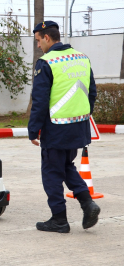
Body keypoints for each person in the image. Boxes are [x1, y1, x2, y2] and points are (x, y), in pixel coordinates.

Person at [28, 21, 100, 233]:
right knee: (66, 166)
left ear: (47, 38)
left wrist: (33, 130)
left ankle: (59, 219)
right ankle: (88, 203)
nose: (39, 46)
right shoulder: (81, 58)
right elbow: (92, 92)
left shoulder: (46, 62)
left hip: (56, 128)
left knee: (51, 172)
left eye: (39, 41)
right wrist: (83, 115)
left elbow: (39, 101)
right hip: (78, 125)